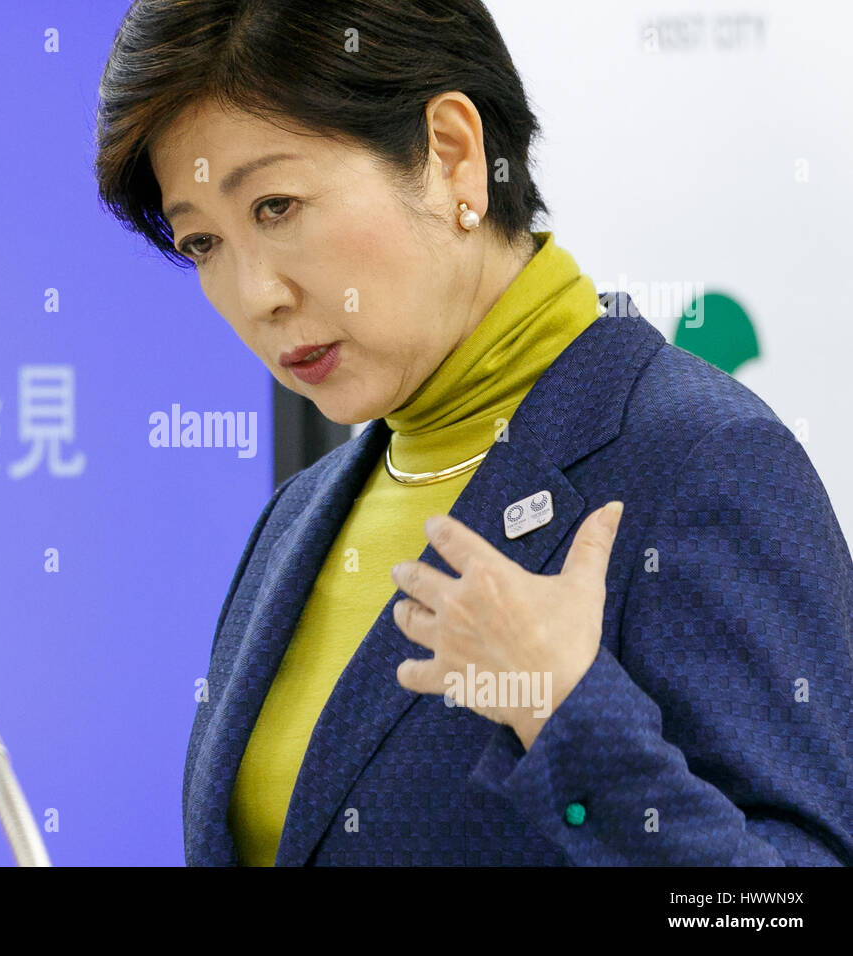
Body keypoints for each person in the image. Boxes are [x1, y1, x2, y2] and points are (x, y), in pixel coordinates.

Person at [94, 0, 853, 865]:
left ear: (453, 157)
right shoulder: (295, 521)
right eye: (203, 244)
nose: (254, 293)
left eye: (275, 205)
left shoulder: (701, 463)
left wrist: (565, 711)